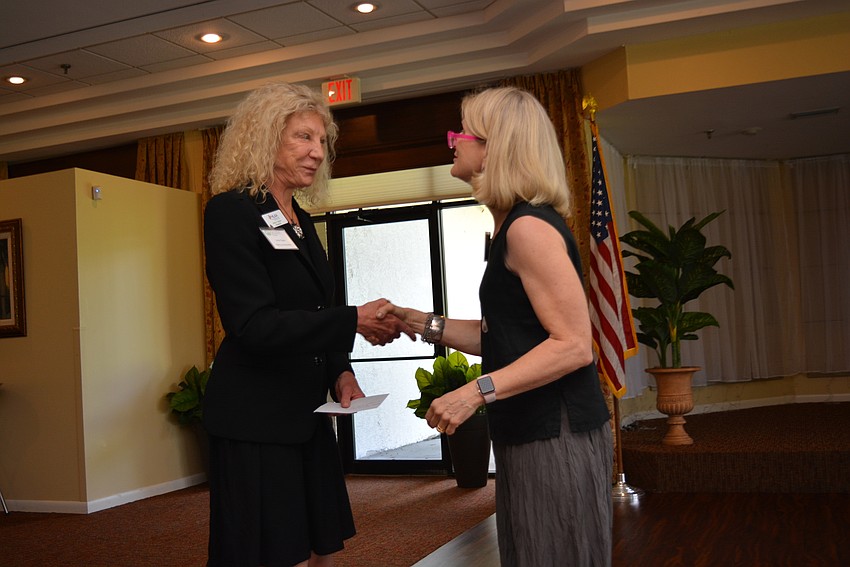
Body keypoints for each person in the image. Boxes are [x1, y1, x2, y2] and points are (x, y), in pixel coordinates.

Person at [378, 86, 613, 566]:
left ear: (493, 147)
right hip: (530, 429)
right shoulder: (512, 225)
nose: (452, 143)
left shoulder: (528, 227)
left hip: (556, 431)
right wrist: (418, 321)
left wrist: (472, 393)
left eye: (460, 133)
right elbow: (502, 337)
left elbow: (573, 346)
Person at [202, 81, 411, 567]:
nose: (317, 152)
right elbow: (253, 326)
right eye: (302, 137)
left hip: (307, 416)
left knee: (319, 547)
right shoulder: (232, 212)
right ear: (264, 139)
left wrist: (341, 370)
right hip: (256, 420)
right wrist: (354, 320)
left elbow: (318, 309)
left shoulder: (300, 217)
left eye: (322, 141)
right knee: (274, 551)